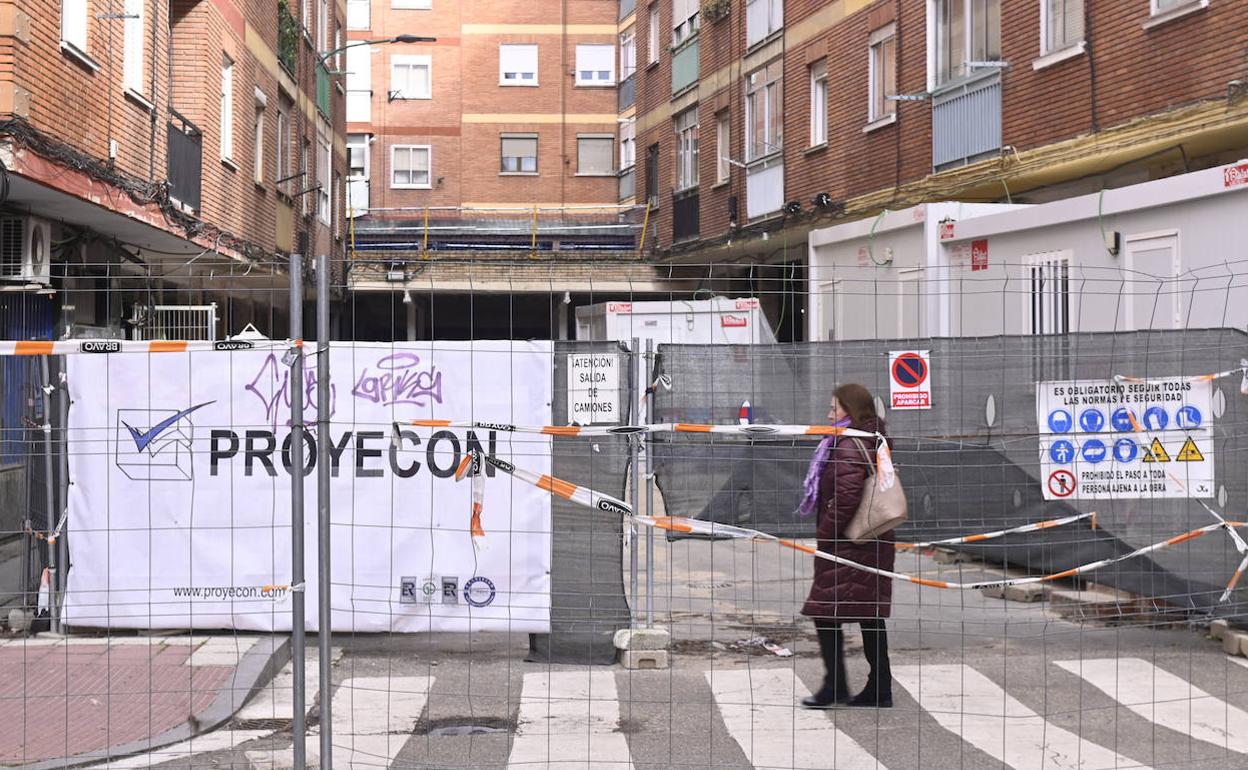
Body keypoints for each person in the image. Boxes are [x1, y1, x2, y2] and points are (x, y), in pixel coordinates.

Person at [798, 383, 895, 708]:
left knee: (825, 612)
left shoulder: (850, 444)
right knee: (868, 614)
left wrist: (825, 536)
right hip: (868, 541)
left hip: (847, 544)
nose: (828, 414)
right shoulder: (869, 438)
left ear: (850, 410)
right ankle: (878, 688)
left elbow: (847, 497)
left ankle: (836, 685)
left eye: (834, 408)